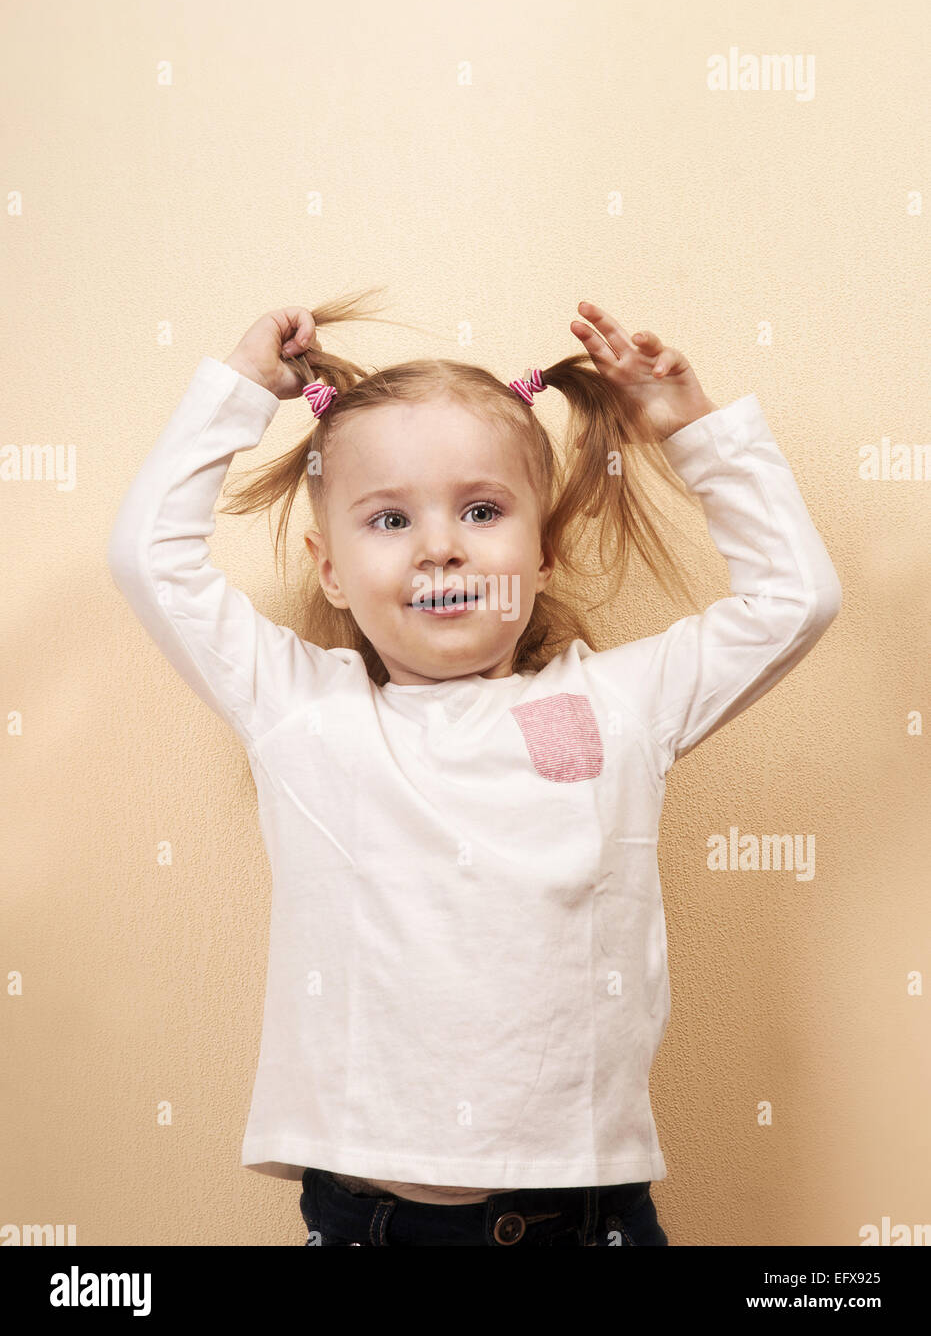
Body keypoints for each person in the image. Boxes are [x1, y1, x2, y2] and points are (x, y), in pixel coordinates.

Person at [106, 293, 842, 1246]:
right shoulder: (303, 713)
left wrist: (690, 433)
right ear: (329, 571)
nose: (441, 545)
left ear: (540, 555)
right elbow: (148, 558)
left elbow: (796, 597)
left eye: (483, 510)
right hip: (368, 1219)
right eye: (388, 520)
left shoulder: (618, 707)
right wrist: (239, 393)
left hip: (583, 1221)